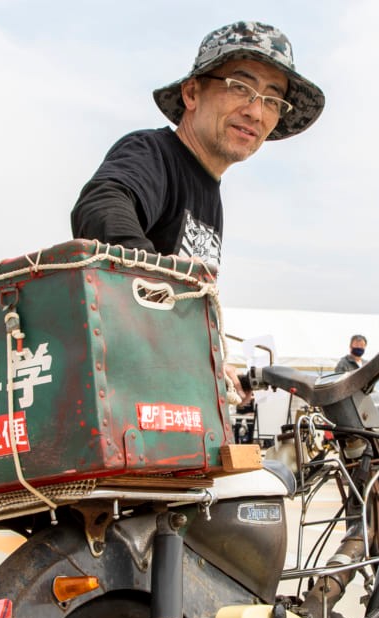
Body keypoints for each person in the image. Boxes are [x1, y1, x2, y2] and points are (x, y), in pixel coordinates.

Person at [70, 22, 325, 397]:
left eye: (273, 100)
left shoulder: (210, 191)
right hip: (116, 394)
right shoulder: (153, 153)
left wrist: (211, 359)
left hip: (163, 398)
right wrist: (172, 312)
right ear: (192, 93)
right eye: (241, 87)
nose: (256, 111)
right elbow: (102, 205)